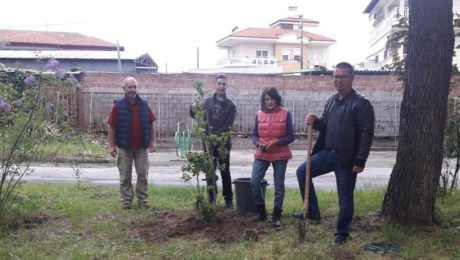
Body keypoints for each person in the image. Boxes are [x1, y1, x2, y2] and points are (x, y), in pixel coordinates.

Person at [295, 62, 375, 245]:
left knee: (345, 198)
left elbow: (366, 135)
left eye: (343, 76)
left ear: (352, 78)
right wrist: (315, 122)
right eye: (335, 76)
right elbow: (326, 126)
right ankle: (313, 212)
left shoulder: (361, 104)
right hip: (327, 154)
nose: (338, 80)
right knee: (302, 172)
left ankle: (342, 233)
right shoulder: (331, 101)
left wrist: (360, 160)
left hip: (346, 159)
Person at [107, 77, 157, 209]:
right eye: (130, 87)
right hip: (124, 147)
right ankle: (126, 201)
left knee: (142, 174)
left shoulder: (144, 105)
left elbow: (151, 124)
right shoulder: (118, 106)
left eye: (134, 87)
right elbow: (111, 127)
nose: (133, 90)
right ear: (124, 89)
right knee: (125, 176)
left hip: (141, 146)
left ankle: (143, 200)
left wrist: (152, 142)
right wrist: (111, 146)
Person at [189, 75, 236, 208]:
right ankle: (211, 198)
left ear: (227, 86)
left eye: (223, 84)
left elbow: (228, 125)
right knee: (210, 170)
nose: (221, 86)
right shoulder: (207, 102)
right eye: (219, 84)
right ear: (215, 85)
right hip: (208, 144)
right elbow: (194, 114)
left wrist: (214, 138)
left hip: (223, 144)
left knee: (225, 171)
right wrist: (194, 105)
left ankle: (228, 200)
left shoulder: (230, 105)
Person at [250, 87, 294, 227]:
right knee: (254, 181)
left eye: (272, 98)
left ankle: (276, 215)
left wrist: (276, 142)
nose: (269, 102)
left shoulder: (286, 113)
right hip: (262, 153)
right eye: (266, 99)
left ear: (277, 99)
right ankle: (261, 212)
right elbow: (254, 135)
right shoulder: (259, 114)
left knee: (278, 185)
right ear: (263, 100)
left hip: (280, 154)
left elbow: (291, 137)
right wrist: (258, 143)